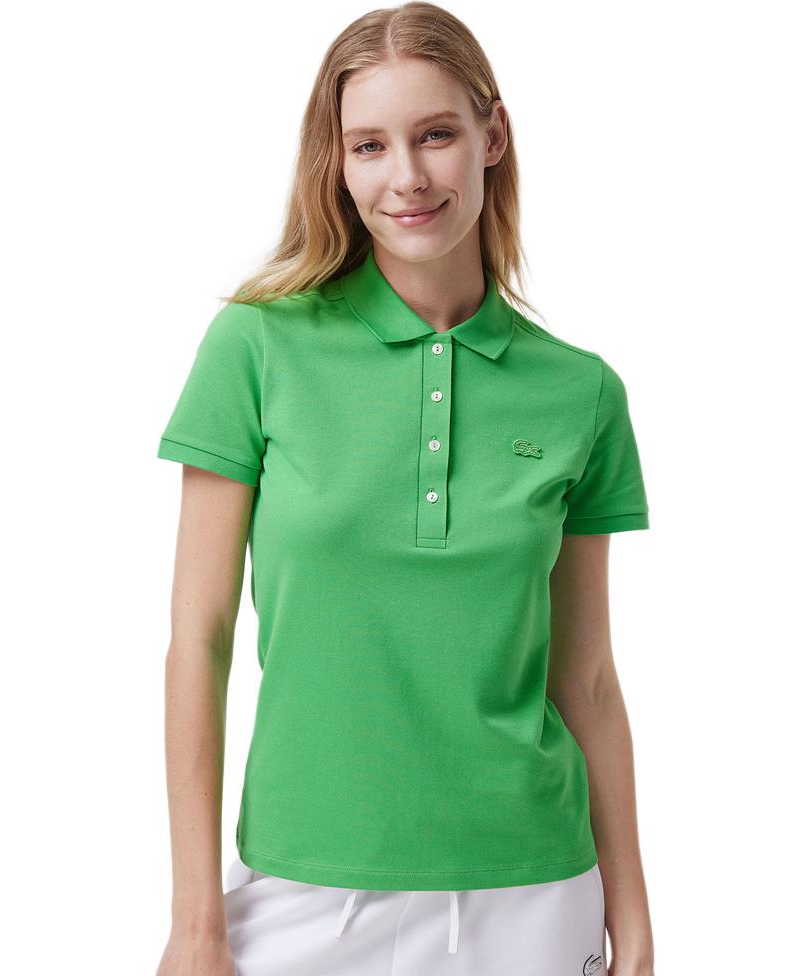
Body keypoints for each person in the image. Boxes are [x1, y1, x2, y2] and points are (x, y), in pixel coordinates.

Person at [154, 4, 655, 975]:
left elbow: (587, 678)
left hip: (532, 894)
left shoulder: (581, 393)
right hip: (302, 887)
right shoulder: (256, 347)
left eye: (435, 135)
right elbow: (198, 640)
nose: (408, 177)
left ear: (491, 135)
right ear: (338, 164)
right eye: (370, 145)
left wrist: (631, 916)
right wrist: (195, 920)